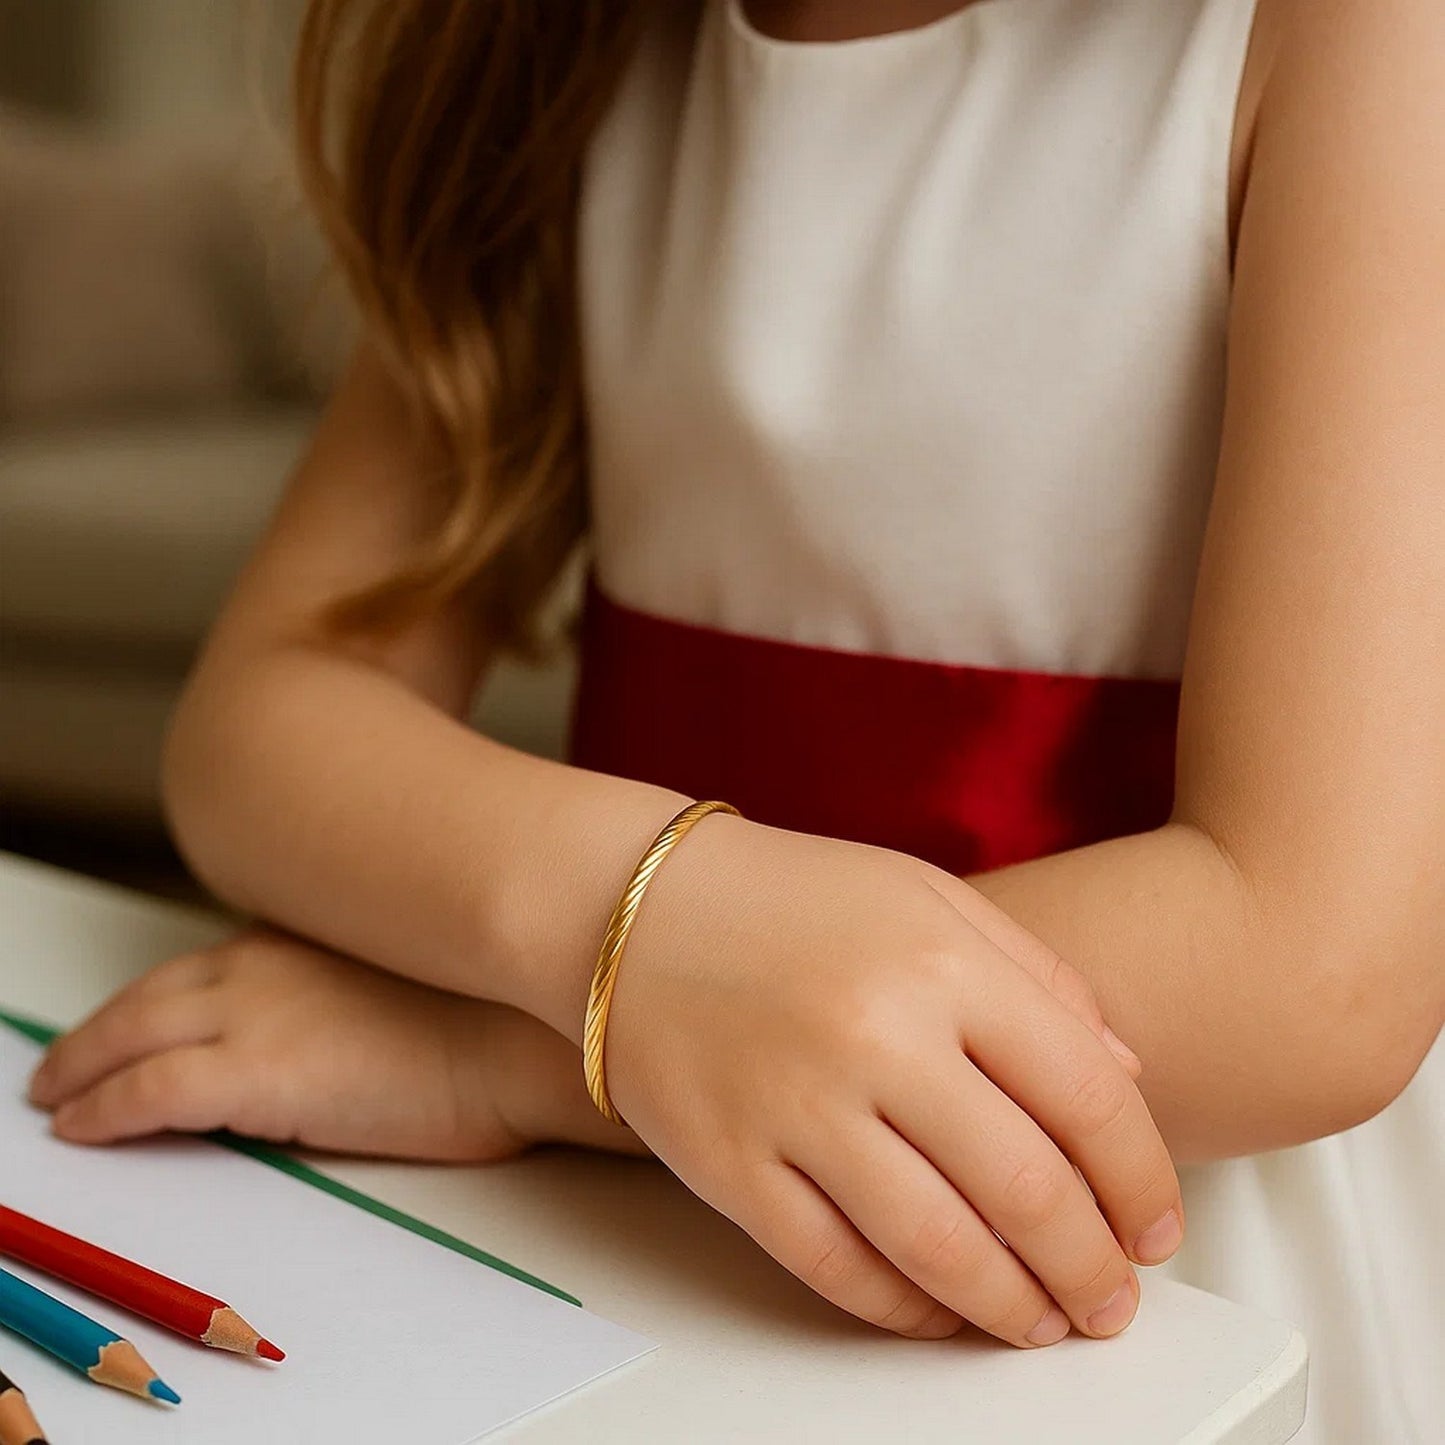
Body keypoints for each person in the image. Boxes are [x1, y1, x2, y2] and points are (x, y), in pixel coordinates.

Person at [26, 2, 1444, 1439]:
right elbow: (259, 724)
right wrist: (647, 948)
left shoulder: (1358, 40)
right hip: (656, 1259)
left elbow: (1317, 970)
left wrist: (510, 1052)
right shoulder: (581, 52)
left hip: (1153, 1284)